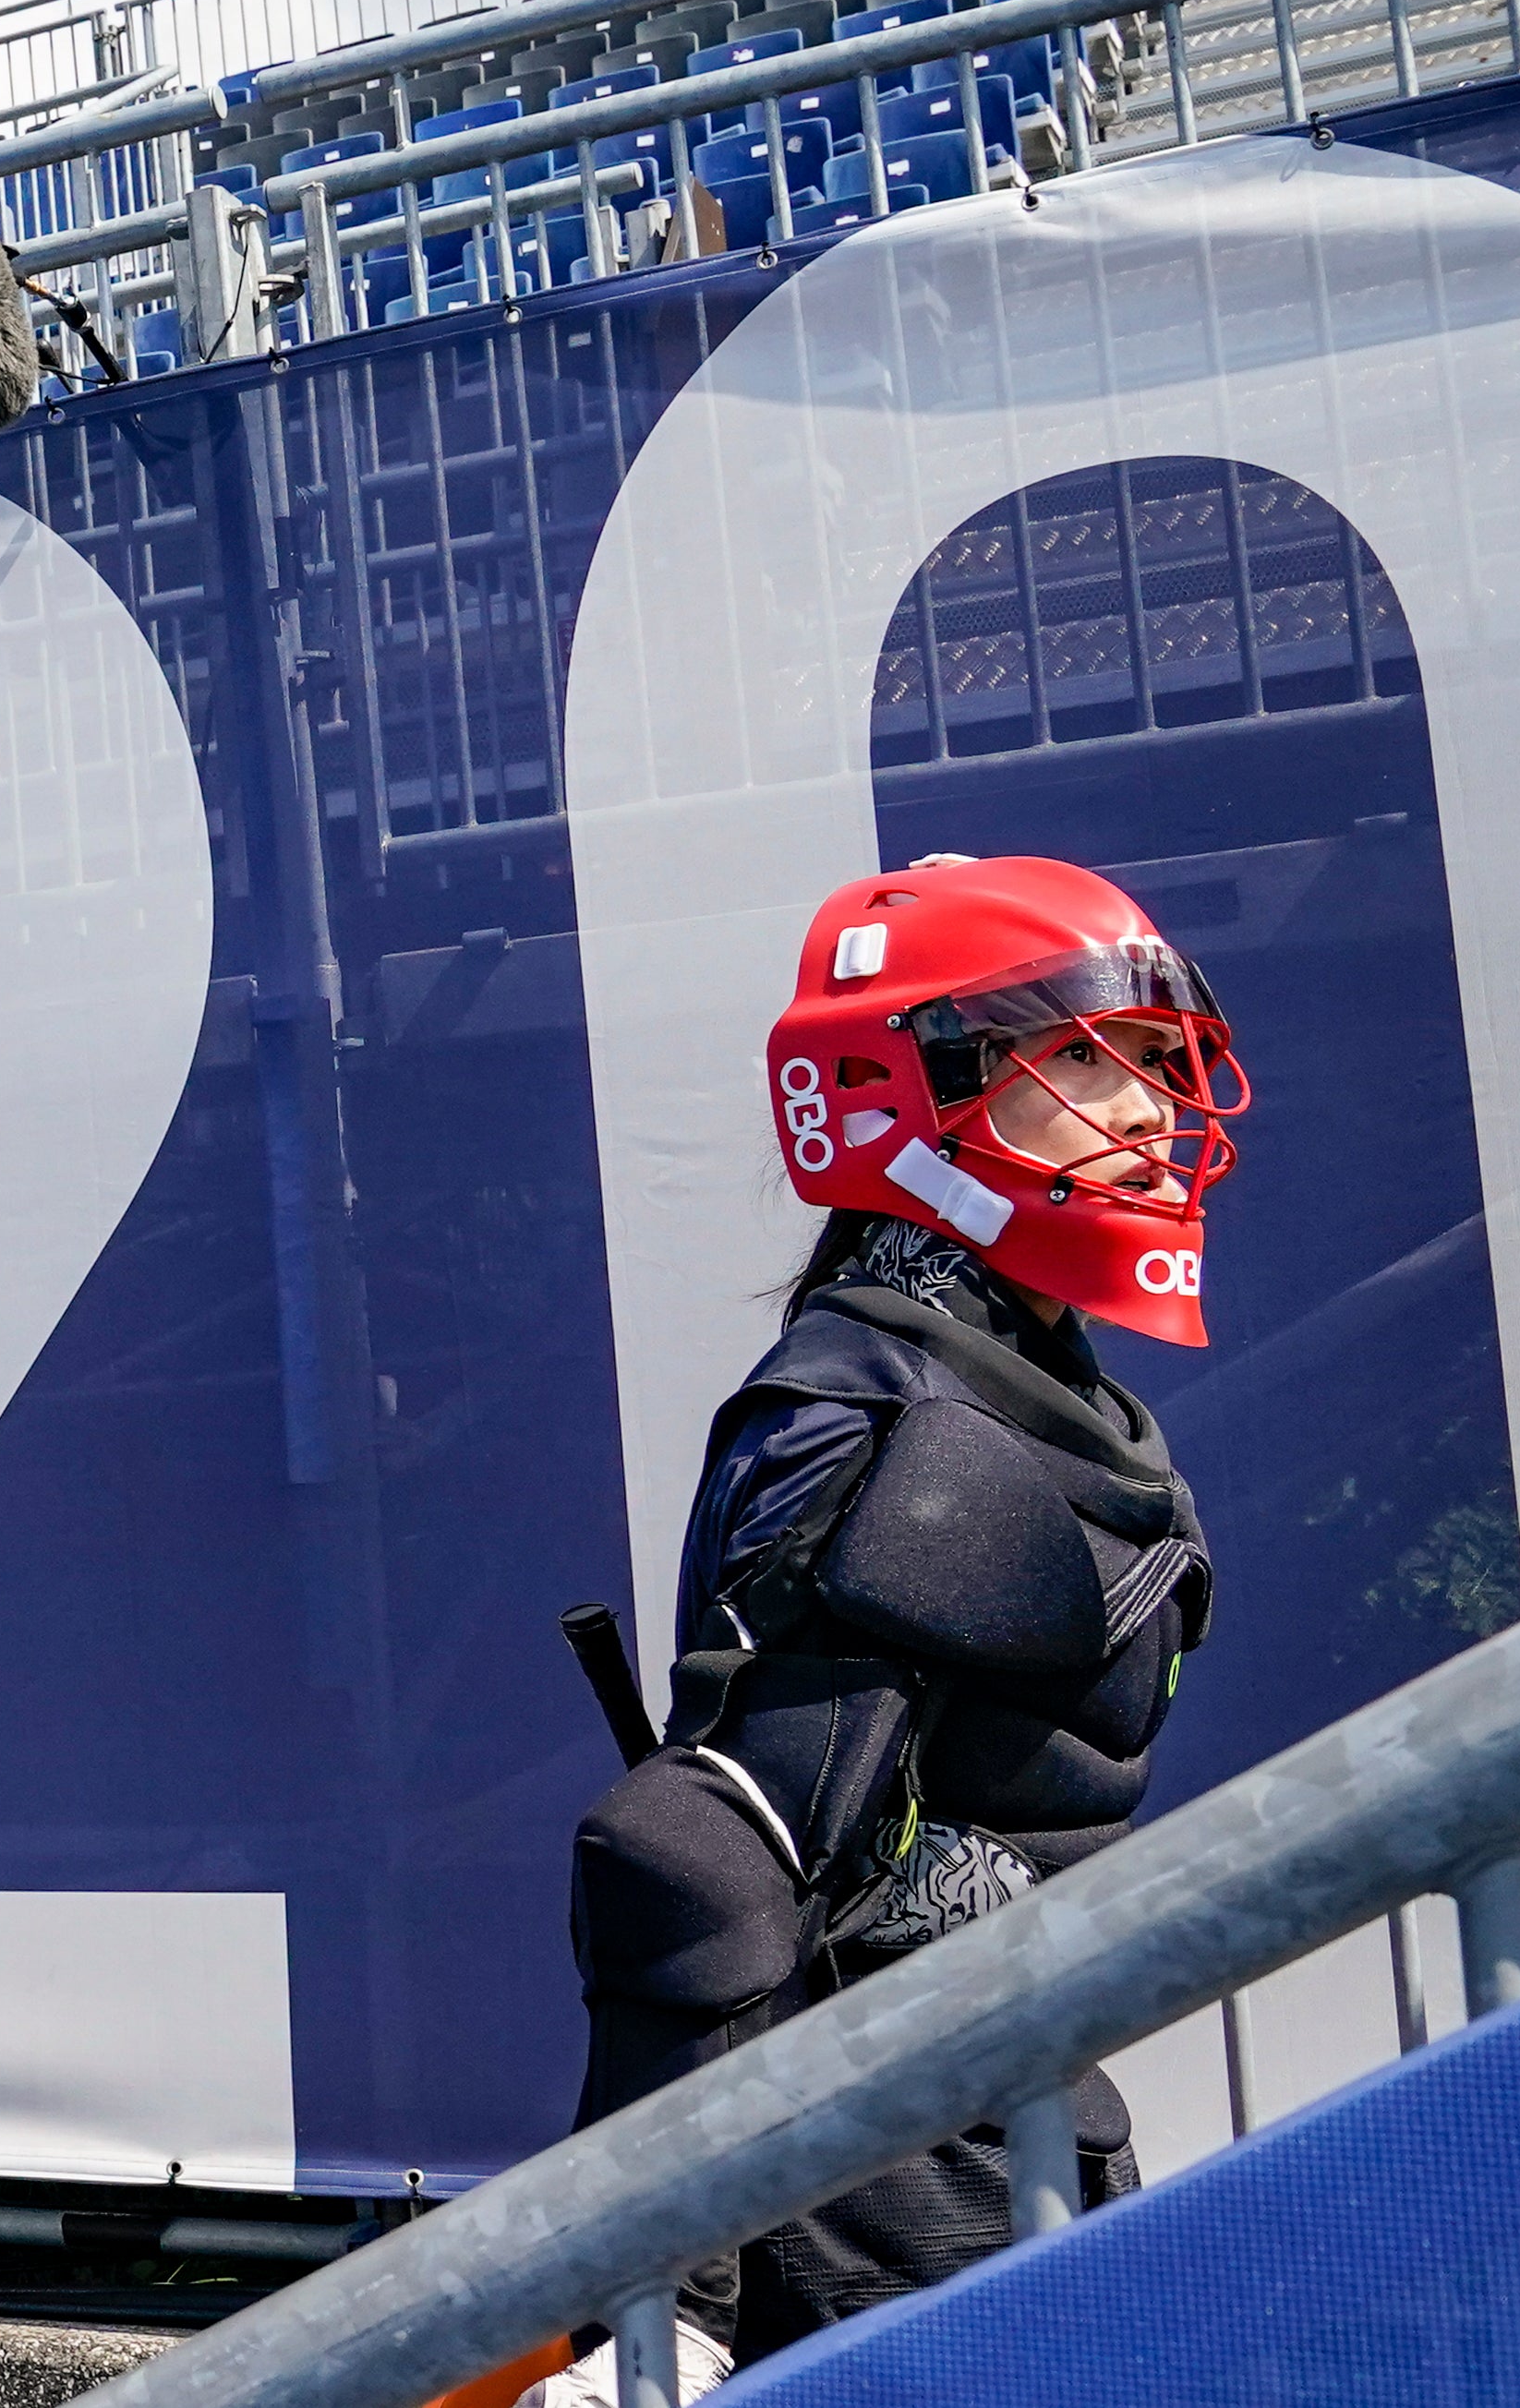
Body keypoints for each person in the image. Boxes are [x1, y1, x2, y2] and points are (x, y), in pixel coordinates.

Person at [529, 855, 1249, 2402]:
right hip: (857, 2208)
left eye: (1159, 1067)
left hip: (1034, 2143)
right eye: (1084, 1062)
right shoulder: (864, 1401)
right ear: (908, 1093)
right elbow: (703, 1860)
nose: (1145, 1110)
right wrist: (662, 2305)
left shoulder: (1066, 1400)